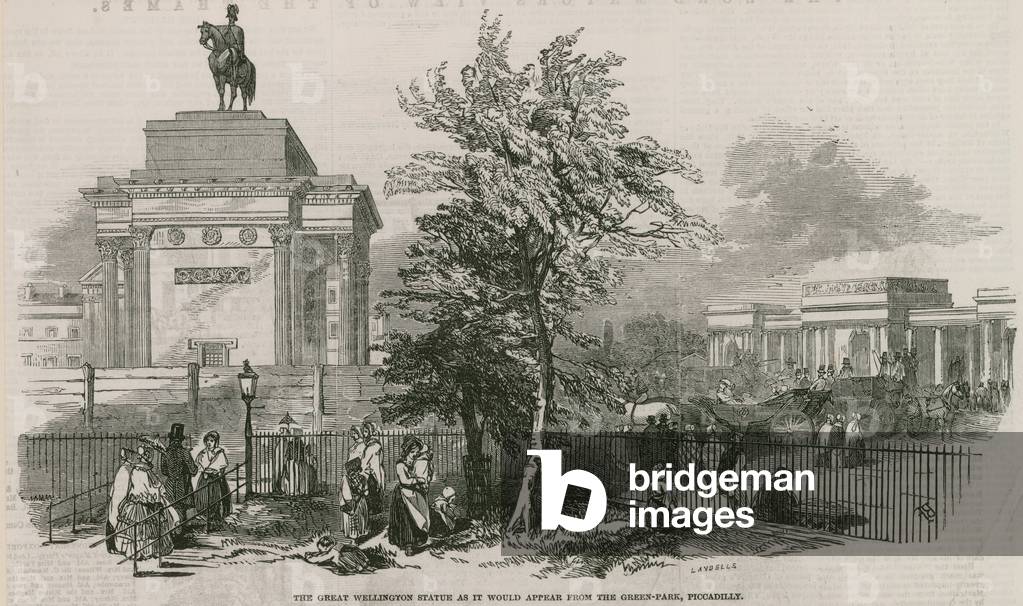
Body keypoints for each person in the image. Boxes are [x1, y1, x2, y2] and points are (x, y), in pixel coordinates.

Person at [114, 447, 179, 561]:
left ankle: (138, 551)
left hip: (138, 501)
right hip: (144, 503)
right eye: (149, 456)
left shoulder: (137, 469)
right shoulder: (144, 471)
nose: (150, 459)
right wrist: (157, 491)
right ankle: (144, 551)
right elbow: (147, 488)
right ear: (146, 457)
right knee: (145, 529)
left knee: (143, 530)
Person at [388, 436, 431, 556]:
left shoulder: (417, 462)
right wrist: (418, 480)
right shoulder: (400, 464)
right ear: (407, 451)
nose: (414, 454)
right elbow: (404, 481)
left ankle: (417, 541)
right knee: (406, 520)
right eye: (412, 452)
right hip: (403, 494)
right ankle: (408, 545)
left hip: (414, 493)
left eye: (416, 452)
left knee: (417, 517)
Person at [159, 423, 197, 526]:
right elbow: (194, 470)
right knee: (181, 509)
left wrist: (173, 473)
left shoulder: (165, 452)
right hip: (183, 485)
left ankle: (173, 531)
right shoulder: (185, 452)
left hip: (170, 484)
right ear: (181, 440)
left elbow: (164, 470)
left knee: (171, 509)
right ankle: (180, 532)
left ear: (171, 439)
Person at [194, 431, 231, 528]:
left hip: (215, 480)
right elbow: (197, 465)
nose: (209, 443)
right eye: (207, 441)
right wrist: (204, 471)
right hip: (204, 479)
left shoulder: (219, 453)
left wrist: (215, 472)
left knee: (215, 499)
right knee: (202, 498)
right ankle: (205, 519)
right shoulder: (202, 453)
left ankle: (215, 520)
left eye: (211, 441)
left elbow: (222, 467)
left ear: (216, 442)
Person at [106, 448, 136, 554]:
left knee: (113, 521)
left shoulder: (124, 469)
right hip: (120, 499)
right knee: (115, 521)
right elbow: (124, 488)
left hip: (117, 498)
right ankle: (113, 546)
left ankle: (113, 546)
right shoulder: (126, 470)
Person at [303, 535, 370, 575]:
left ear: (325, 547)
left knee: (339, 558)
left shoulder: (333, 552)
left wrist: (309, 558)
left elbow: (319, 559)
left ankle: (355, 567)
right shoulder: (339, 545)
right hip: (360, 559)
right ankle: (361, 564)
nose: (320, 551)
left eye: (320, 549)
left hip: (352, 565)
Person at [338, 458, 369, 540]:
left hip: (360, 502)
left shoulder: (363, 478)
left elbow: (366, 491)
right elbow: (346, 493)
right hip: (351, 502)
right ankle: (352, 534)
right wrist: (351, 501)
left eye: (358, 470)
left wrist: (362, 493)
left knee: (361, 517)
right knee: (352, 517)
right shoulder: (346, 479)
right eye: (355, 471)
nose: (357, 473)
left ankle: (361, 532)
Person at [361, 423, 384, 515]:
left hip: (372, 472)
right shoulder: (373, 445)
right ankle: (374, 508)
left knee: (372, 490)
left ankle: (374, 509)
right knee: (373, 490)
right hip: (373, 470)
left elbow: (365, 461)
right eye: (363, 431)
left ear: (370, 432)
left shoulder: (372, 446)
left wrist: (363, 469)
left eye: (366, 432)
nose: (364, 434)